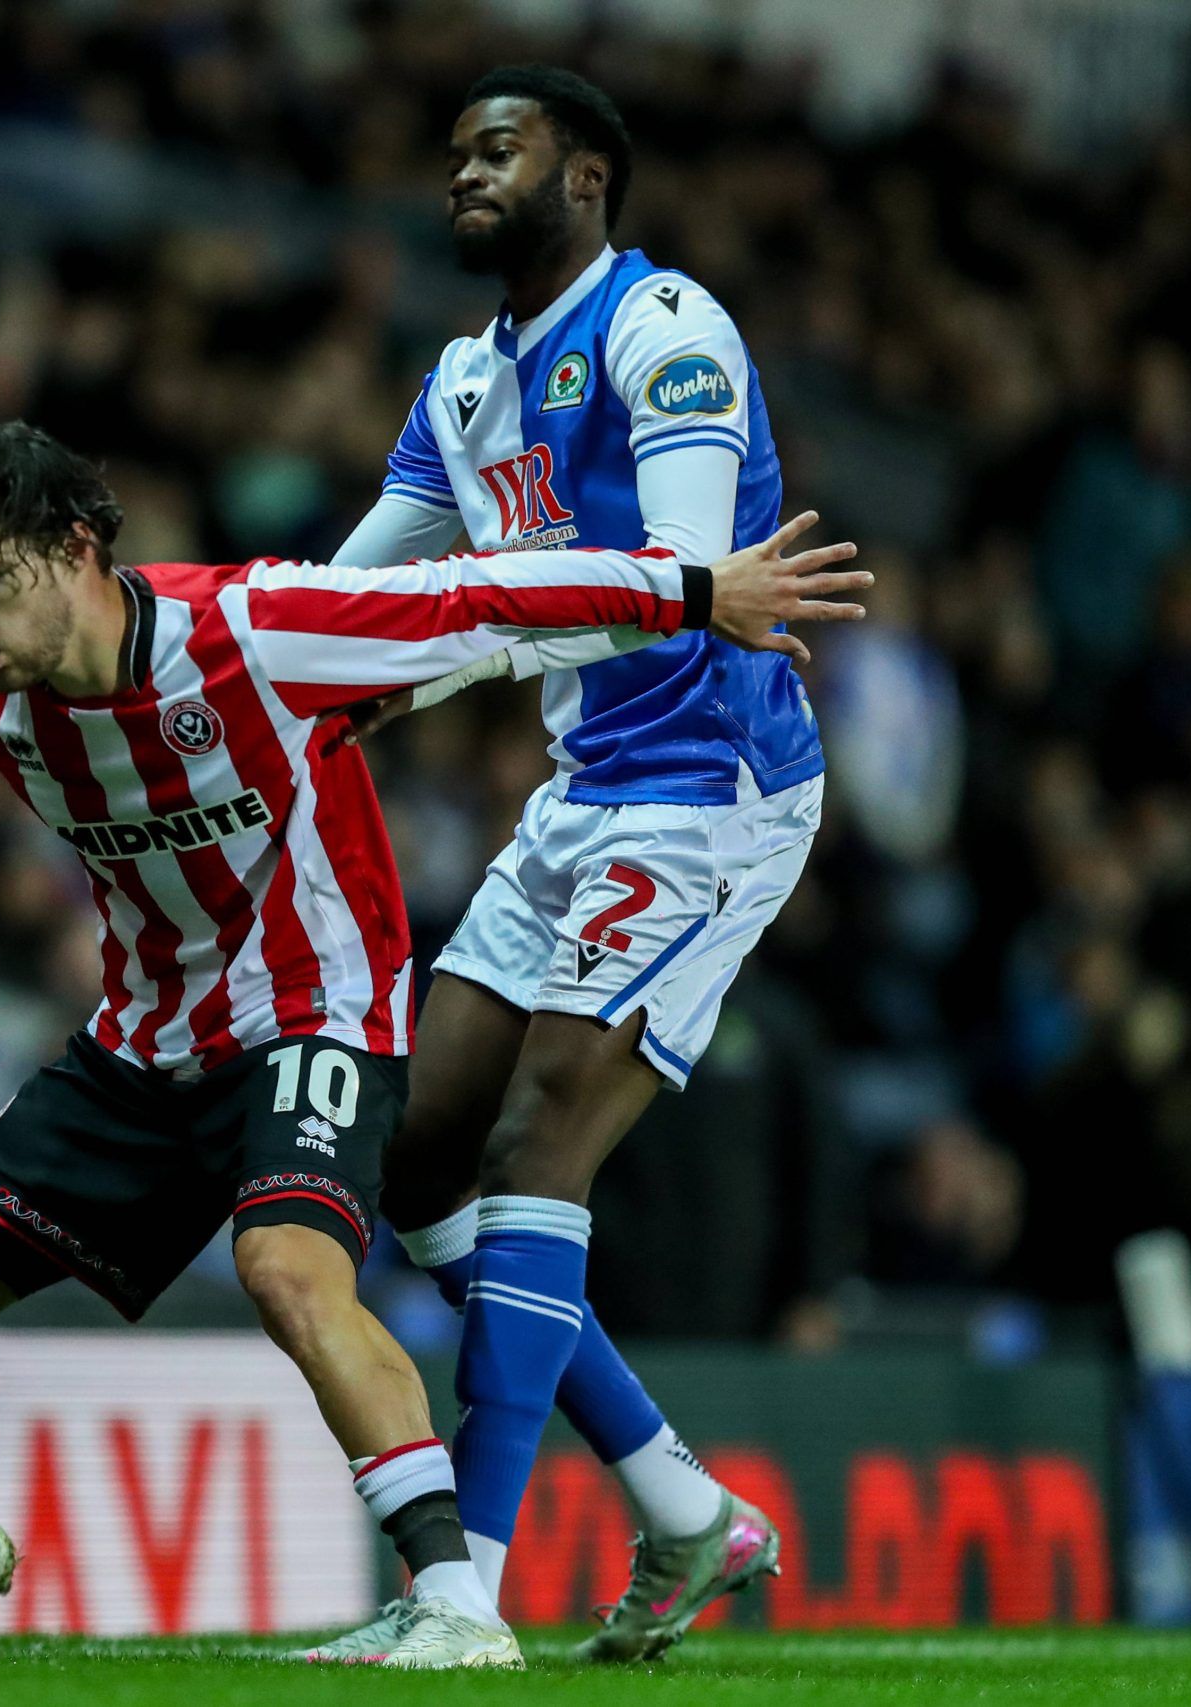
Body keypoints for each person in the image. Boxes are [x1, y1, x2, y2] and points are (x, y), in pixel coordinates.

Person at [0, 422, 863, 1666]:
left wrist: (698, 591)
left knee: (288, 1271)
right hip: (144, 1040)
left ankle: (453, 1603)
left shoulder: (254, 629)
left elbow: (479, 597)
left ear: (73, 548)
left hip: (315, 1011)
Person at [316, 66, 829, 1662]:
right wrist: (240, 666)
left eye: (501, 147)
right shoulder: (465, 381)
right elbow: (353, 599)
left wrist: (454, 652)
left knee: (541, 1144)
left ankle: (458, 1589)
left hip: (711, 789)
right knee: (418, 1161)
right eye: (454, 153)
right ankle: (686, 1509)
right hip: (584, 788)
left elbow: (677, 582)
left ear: (588, 175)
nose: (466, 172)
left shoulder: (664, 328)